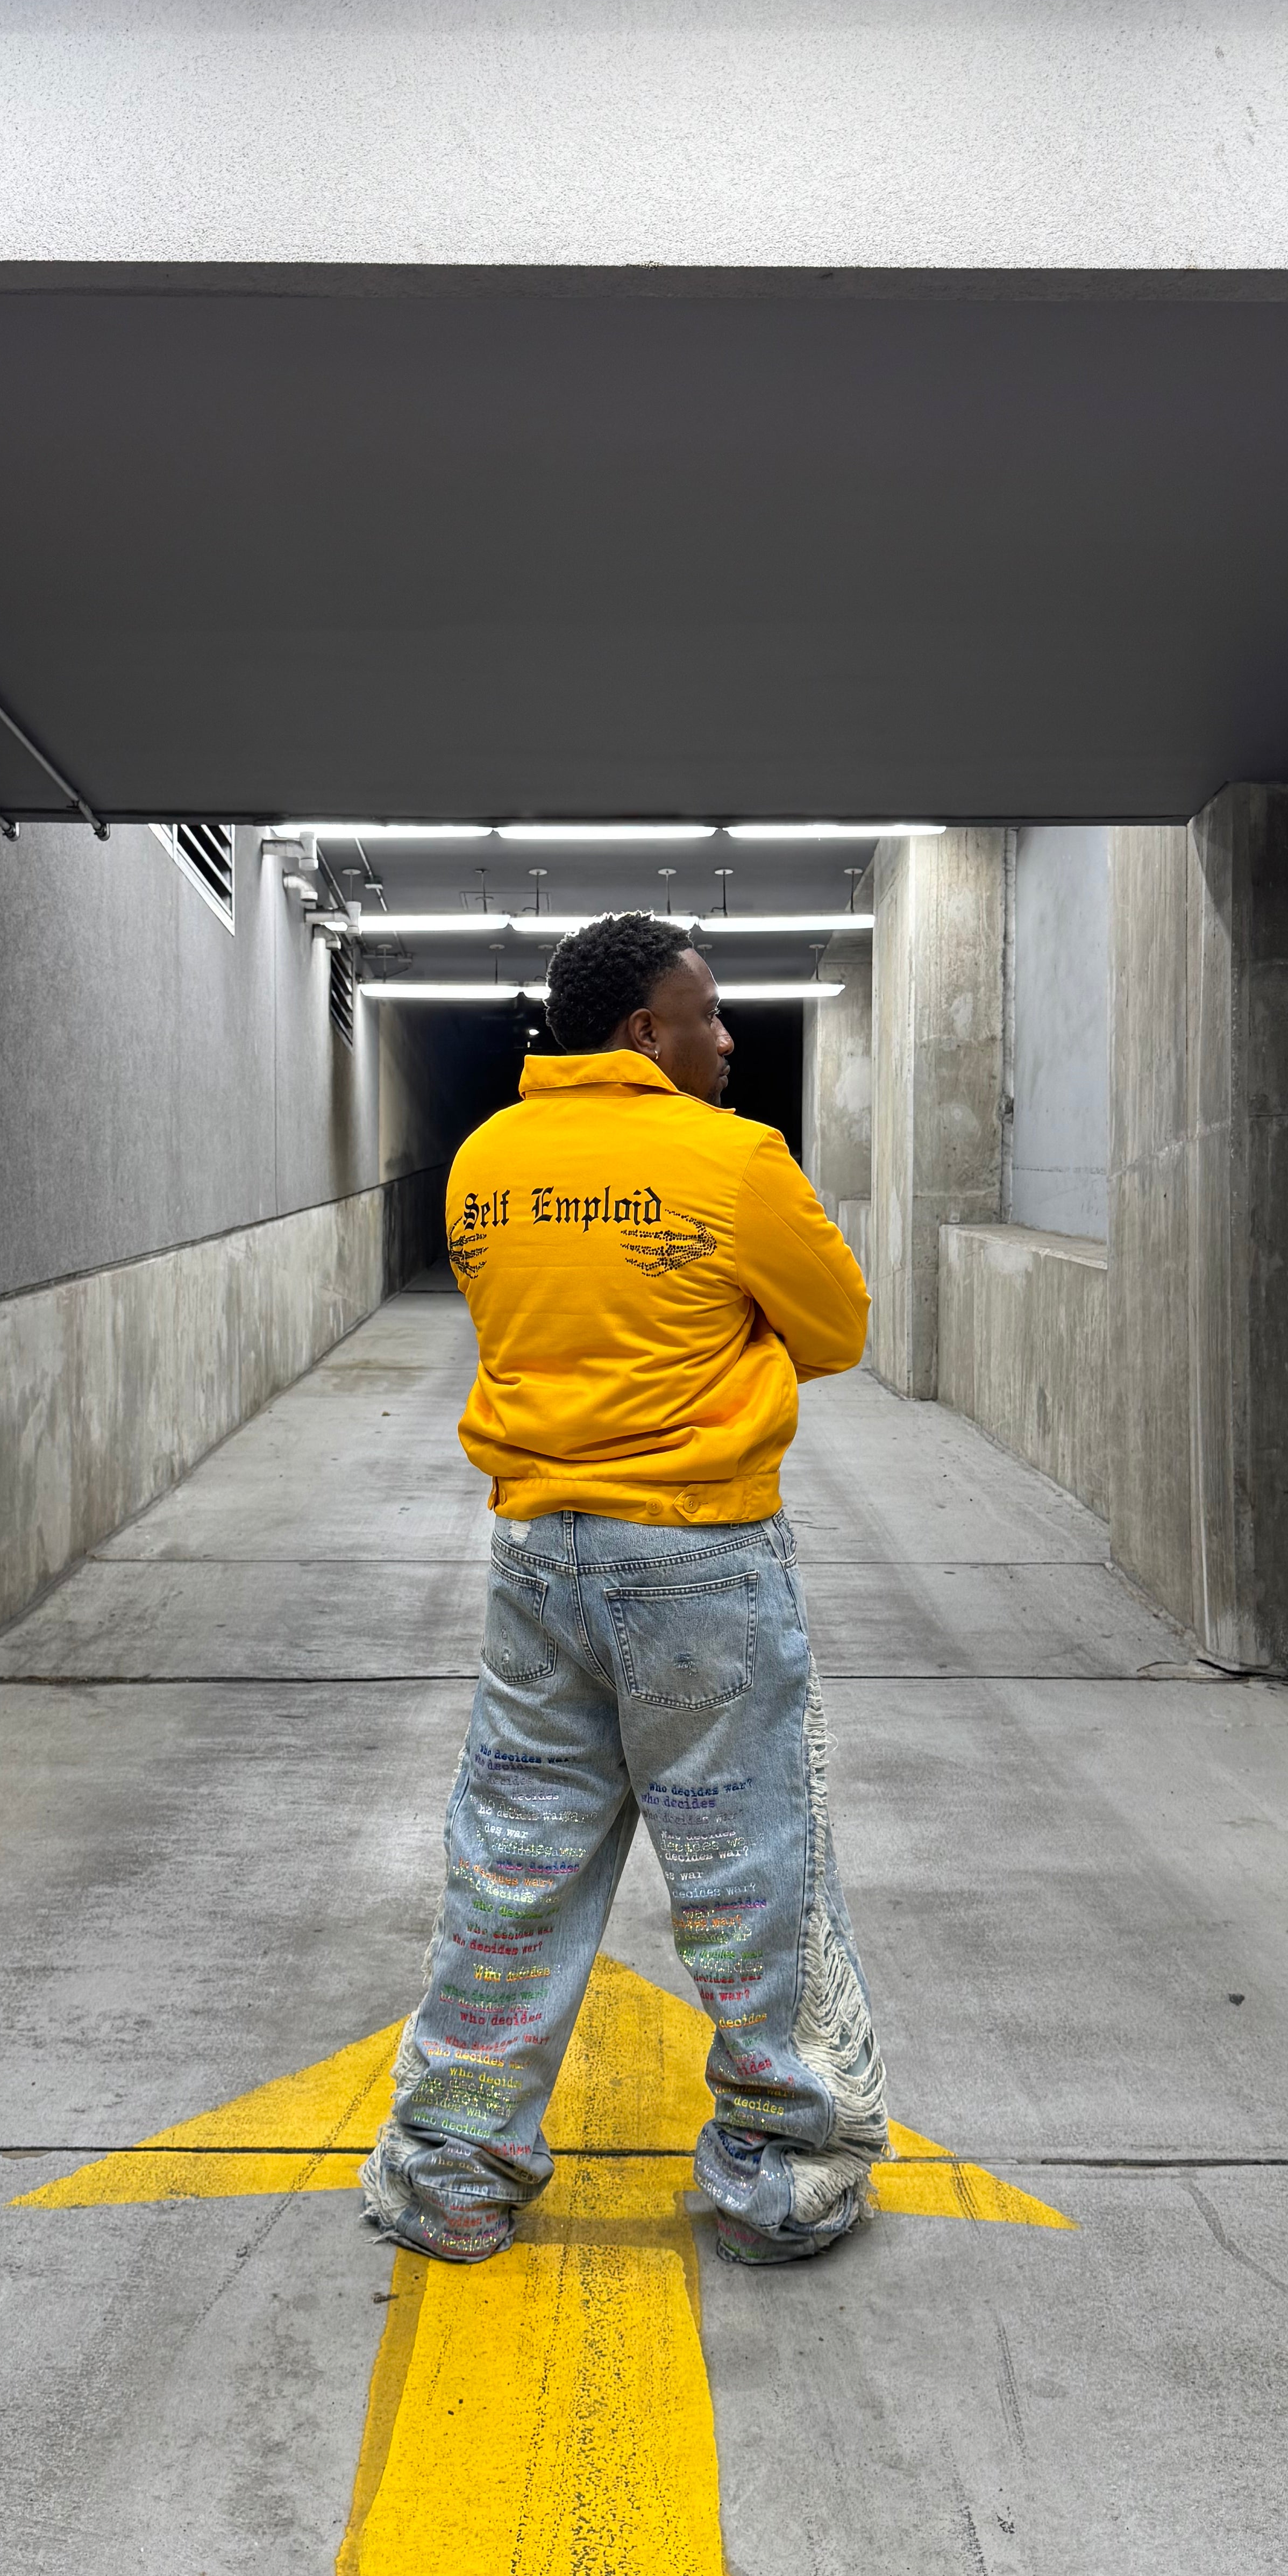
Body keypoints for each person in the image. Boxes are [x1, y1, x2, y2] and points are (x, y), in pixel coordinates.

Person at [361, 912, 888, 2268]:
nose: (726, 1038)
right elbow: (836, 1329)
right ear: (644, 1029)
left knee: (515, 1866)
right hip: (702, 1558)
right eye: (706, 1016)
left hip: (540, 1558)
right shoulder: (734, 1158)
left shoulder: (485, 1159)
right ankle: (780, 2180)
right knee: (749, 1866)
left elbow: (525, 1319)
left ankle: (450, 2176)